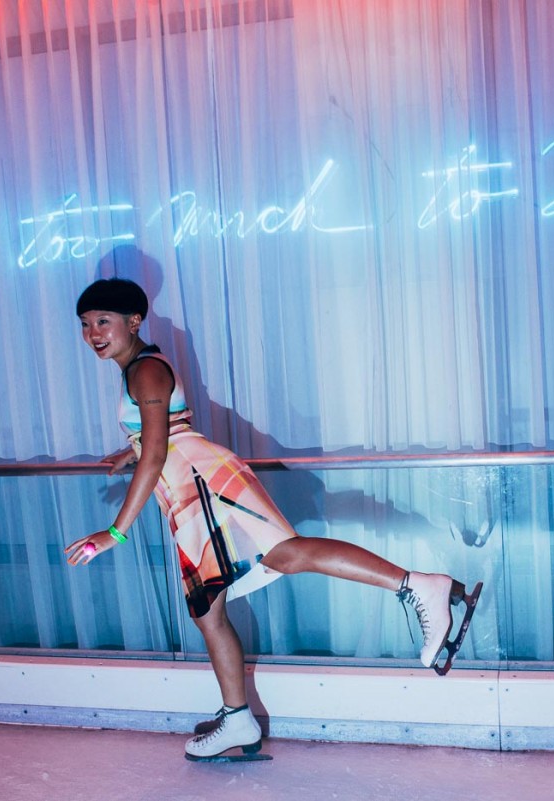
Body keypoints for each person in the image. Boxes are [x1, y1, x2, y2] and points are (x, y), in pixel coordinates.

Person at [65, 278, 481, 762]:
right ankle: (237, 719)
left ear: (134, 321)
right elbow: (159, 435)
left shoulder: (146, 371)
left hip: (204, 484)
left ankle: (418, 586)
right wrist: (131, 450)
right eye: (86, 324)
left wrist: (115, 532)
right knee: (208, 607)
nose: (93, 333)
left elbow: (159, 451)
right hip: (189, 490)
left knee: (286, 555)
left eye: (103, 321)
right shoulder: (138, 370)